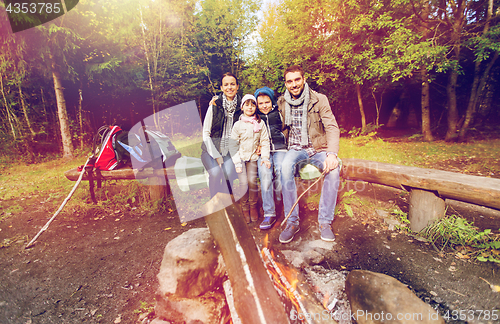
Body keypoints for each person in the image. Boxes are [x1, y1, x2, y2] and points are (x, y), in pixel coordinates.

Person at [277, 65, 340, 243]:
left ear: (304, 79)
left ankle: (325, 222)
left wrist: (332, 154)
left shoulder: (319, 99)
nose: (294, 84)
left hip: (318, 148)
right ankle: (292, 222)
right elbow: (268, 121)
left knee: (333, 170)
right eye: (290, 81)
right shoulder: (282, 102)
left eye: (297, 79)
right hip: (295, 149)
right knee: (285, 167)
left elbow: (332, 127)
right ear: (286, 83)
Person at [229, 94, 271, 223]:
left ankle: (253, 206)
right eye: (247, 105)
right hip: (240, 158)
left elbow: (264, 141)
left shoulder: (259, 123)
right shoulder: (238, 125)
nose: (250, 107)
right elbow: (233, 144)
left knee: (252, 181)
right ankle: (245, 208)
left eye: (253, 105)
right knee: (243, 183)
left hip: (253, 157)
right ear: (242, 107)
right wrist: (236, 162)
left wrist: (265, 157)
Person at [201, 72, 242, 198]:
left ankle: (226, 204)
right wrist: (216, 156)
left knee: (228, 172)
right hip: (211, 150)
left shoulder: (243, 107)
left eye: (232, 84)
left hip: (230, 151)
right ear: (222, 88)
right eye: (226, 85)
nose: (229, 87)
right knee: (215, 173)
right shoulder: (214, 106)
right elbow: (206, 133)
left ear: (237, 86)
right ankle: (215, 205)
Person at [254, 87, 287, 230]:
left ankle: (280, 203)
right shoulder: (254, 117)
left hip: (280, 148)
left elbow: (287, 128)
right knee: (265, 174)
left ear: (272, 101)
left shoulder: (279, 113)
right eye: (260, 103)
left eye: (267, 102)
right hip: (264, 152)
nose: (264, 106)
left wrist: (285, 138)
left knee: (281, 171)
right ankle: (269, 212)